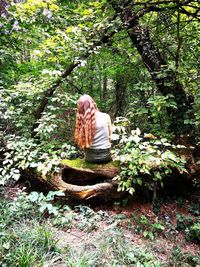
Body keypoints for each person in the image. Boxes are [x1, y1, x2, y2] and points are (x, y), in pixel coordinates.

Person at [75, 94, 112, 163]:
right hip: (106, 156)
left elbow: (84, 143)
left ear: (80, 108)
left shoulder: (82, 121)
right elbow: (110, 138)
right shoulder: (106, 116)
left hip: (90, 158)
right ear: (93, 103)